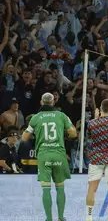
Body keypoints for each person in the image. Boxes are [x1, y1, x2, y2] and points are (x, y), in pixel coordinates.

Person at [22, 92, 77, 221]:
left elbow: (24, 138)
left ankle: (49, 219)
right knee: (60, 187)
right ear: (53, 102)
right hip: (58, 154)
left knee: (46, 188)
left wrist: (36, 133)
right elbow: (74, 134)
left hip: (44, 155)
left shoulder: (35, 118)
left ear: (41, 102)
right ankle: (61, 218)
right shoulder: (61, 116)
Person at [86, 99, 108, 221]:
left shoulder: (91, 123)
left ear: (100, 109)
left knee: (92, 188)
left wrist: (96, 119)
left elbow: (89, 138)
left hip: (96, 158)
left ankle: (89, 216)